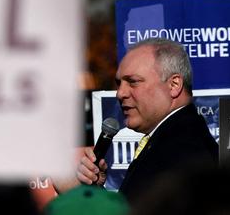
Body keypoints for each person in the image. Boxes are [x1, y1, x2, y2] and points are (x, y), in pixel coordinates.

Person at [76, 38, 218, 204]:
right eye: (119, 83)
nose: (120, 93)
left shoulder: (181, 151)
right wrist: (97, 188)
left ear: (174, 85)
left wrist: (72, 193)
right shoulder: (169, 139)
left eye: (133, 82)